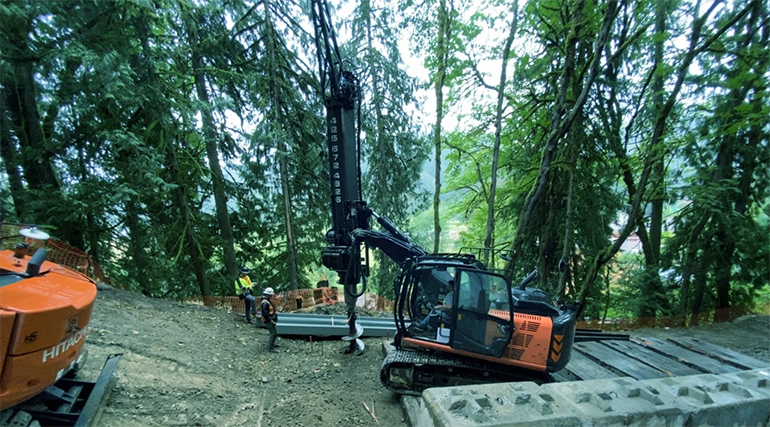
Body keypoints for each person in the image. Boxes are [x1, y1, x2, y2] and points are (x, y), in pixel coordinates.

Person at [261, 287, 279, 351]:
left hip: (270, 319)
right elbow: (265, 314)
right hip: (268, 320)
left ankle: (272, 344)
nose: (272, 296)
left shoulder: (267, 301)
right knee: (273, 333)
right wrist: (270, 320)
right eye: (271, 295)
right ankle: (270, 347)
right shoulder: (265, 303)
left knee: (274, 332)